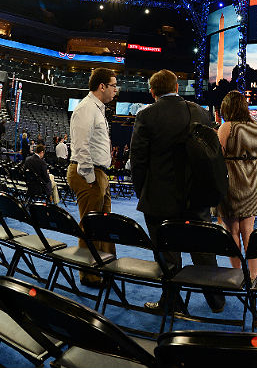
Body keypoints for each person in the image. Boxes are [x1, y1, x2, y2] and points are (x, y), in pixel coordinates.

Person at [130, 69, 225, 313]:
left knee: (167, 255)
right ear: (177, 88)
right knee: (203, 249)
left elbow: (138, 160)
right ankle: (216, 299)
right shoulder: (201, 113)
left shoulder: (147, 115)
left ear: (153, 92)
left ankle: (172, 303)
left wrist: (143, 192)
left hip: (159, 199)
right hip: (197, 197)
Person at [67, 68, 118, 288]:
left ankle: (106, 267)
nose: (117, 89)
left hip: (99, 173)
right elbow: (81, 146)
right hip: (89, 173)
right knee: (90, 225)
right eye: (114, 85)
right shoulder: (86, 108)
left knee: (103, 224)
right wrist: (89, 177)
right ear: (102, 86)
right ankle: (89, 274)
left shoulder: (97, 109)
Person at [217, 91, 257, 280]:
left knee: (232, 232)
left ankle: (237, 275)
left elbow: (218, 156)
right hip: (252, 184)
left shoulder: (226, 127)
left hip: (231, 183)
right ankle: (253, 276)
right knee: (249, 232)